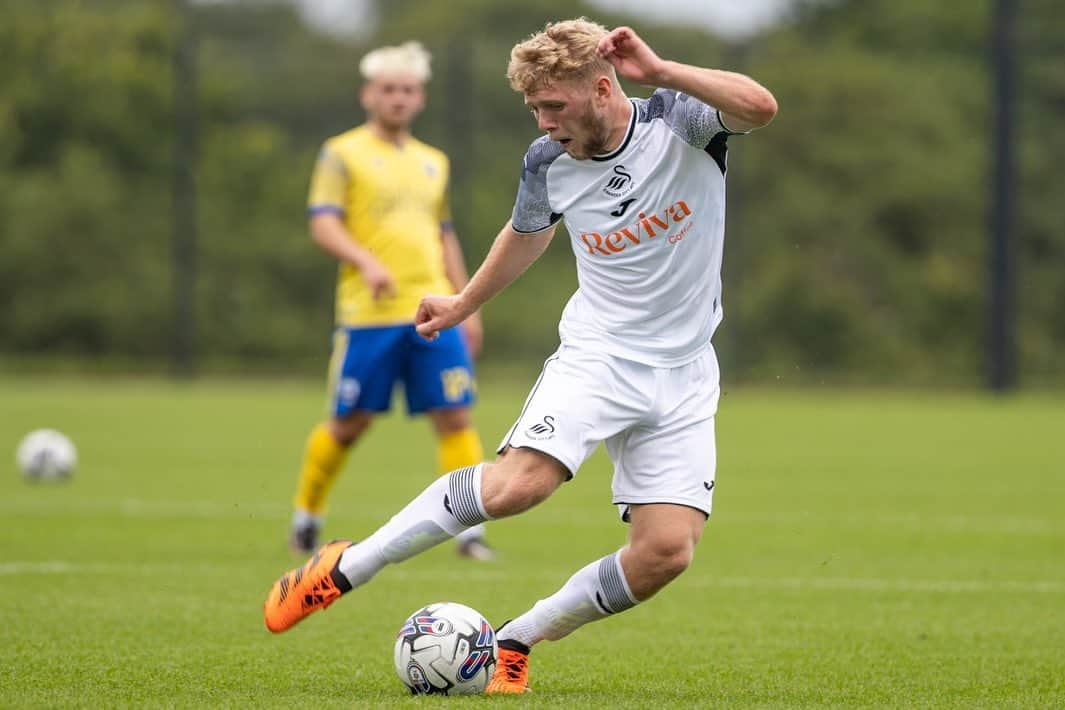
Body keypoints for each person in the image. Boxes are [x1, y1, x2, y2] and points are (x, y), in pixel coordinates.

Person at [264, 18, 777, 694]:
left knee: (665, 553)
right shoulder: (546, 160)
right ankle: (345, 567)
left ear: (601, 88)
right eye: (533, 108)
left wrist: (662, 72)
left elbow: (759, 106)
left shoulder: (679, 122)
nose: (541, 122)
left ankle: (515, 639)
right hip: (599, 357)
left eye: (552, 106)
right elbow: (526, 232)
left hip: (685, 373)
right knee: (519, 486)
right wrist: (461, 304)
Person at [289, 40, 494, 561]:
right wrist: (366, 260)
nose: (398, 98)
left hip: (434, 311)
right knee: (350, 424)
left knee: (455, 416)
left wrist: (469, 304)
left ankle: (469, 533)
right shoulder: (342, 153)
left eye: (407, 90)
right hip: (370, 316)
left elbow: (444, 234)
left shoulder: (434, 162)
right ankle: (306, 519)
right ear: (368, 94)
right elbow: (323, 223)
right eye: (388, 89)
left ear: (420, 98)